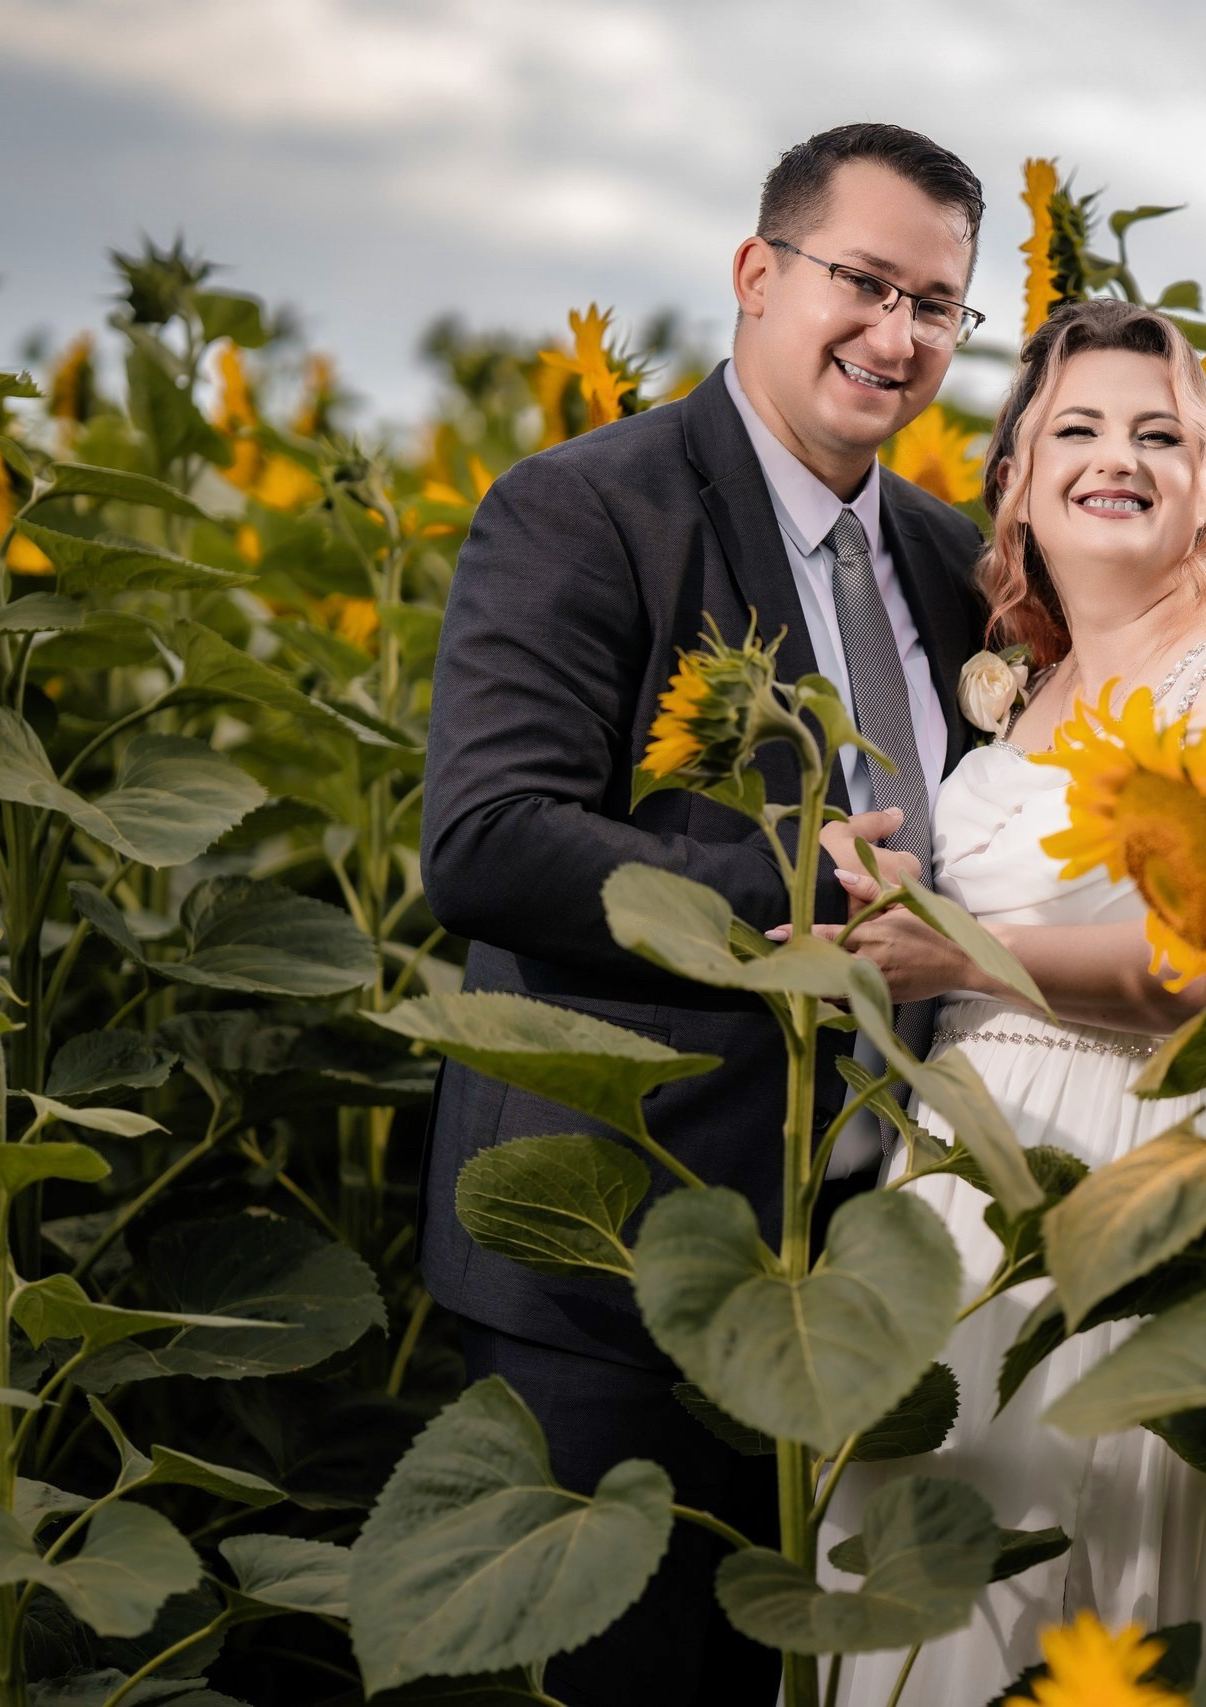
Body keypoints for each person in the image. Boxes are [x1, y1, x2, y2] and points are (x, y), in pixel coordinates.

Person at [415, 123, 988, 1706]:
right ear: (756, 272)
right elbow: (487, 841)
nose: (897, 336)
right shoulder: (588, 508)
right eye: (863, 282)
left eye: (938, 305)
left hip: (864, 1279)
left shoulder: (948, 560)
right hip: (626, 1261)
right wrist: (798, 891)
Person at [796, 298, 1206, 1703]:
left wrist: (959, 951)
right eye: (1080, 430)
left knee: (1106, 1603)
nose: (1120, 458)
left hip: (1147, 1185)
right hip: (962, 1200)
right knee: (926, 1615)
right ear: (1019, 481)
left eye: (1161, 435)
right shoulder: (1028, 693)